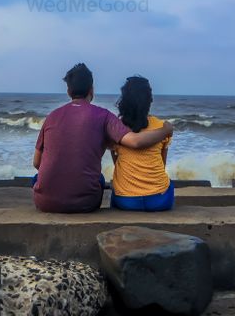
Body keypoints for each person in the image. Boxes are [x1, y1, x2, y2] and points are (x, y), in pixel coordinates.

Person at [33, 63, 173, 213]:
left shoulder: (52, 117)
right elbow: (137, 143)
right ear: (91, 89)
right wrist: (166, 130)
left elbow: (37, 163)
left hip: (45, 202)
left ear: (68, 91)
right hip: (87, 202)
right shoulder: (104, 116)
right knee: (99, 179)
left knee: (37, 177)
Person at [109, 75, 174, 211]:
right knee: (168, 184)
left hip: (125, 200)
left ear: (124, 100)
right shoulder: (161, 126)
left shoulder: (116, 127)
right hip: (159, 200)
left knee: (115, 190)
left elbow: (117, 162)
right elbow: (162, 164)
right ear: (150, 100)